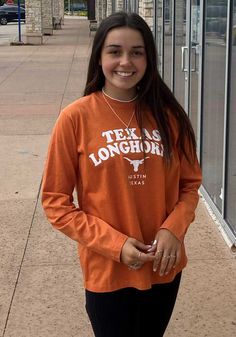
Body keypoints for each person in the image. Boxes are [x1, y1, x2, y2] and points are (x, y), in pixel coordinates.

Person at [42, 11, 202, 337]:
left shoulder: (169, 116)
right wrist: (115, 244)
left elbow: (190, 185)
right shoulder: (75, 118)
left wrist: (173, 229)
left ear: (148, 59)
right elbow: (55, 203)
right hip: (107, 269)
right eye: (115, 51)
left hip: (163, 266)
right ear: (99, 56)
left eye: (136, 52)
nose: (125, 61)